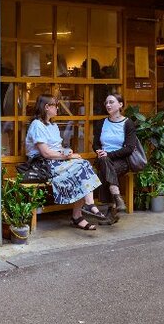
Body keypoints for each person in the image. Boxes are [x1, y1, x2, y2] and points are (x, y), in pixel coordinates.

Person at [25, 94, 108, 230]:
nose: (57, 108)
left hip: (56, 161)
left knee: (82, 166)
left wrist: (67, 151)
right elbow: (45, 153)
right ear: (47, 107)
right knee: (82, 166)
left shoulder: (53, 125)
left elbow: (58, 149)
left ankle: (80, 213)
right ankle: (84, 209)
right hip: (42, 165)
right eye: (55, 105)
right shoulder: (37, 125)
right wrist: (69, 157)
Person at [93, 93, 136, 213]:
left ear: (120, 104)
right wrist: (100, 151)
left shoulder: (128, 123)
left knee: (104, 171)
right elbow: (95, 144)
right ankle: (117, 198)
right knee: (104, 162)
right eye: (106, 103)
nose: (108, 105)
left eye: (111, 102)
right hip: (102, 159)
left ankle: (110, 211)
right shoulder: (101, 123)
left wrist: (109, 155)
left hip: (121, 161)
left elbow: (130, 148)